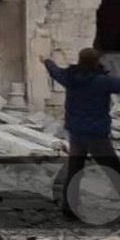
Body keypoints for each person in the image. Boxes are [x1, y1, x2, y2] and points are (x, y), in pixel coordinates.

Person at [43, 48, 120, 217]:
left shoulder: (70, 78)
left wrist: (46, 61)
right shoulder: (102, 81)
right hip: (97, 135)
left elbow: (55, 71)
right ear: (96, 61)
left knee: (75, 170)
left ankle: (69, 209)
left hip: (76, 133)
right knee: (114, 169)